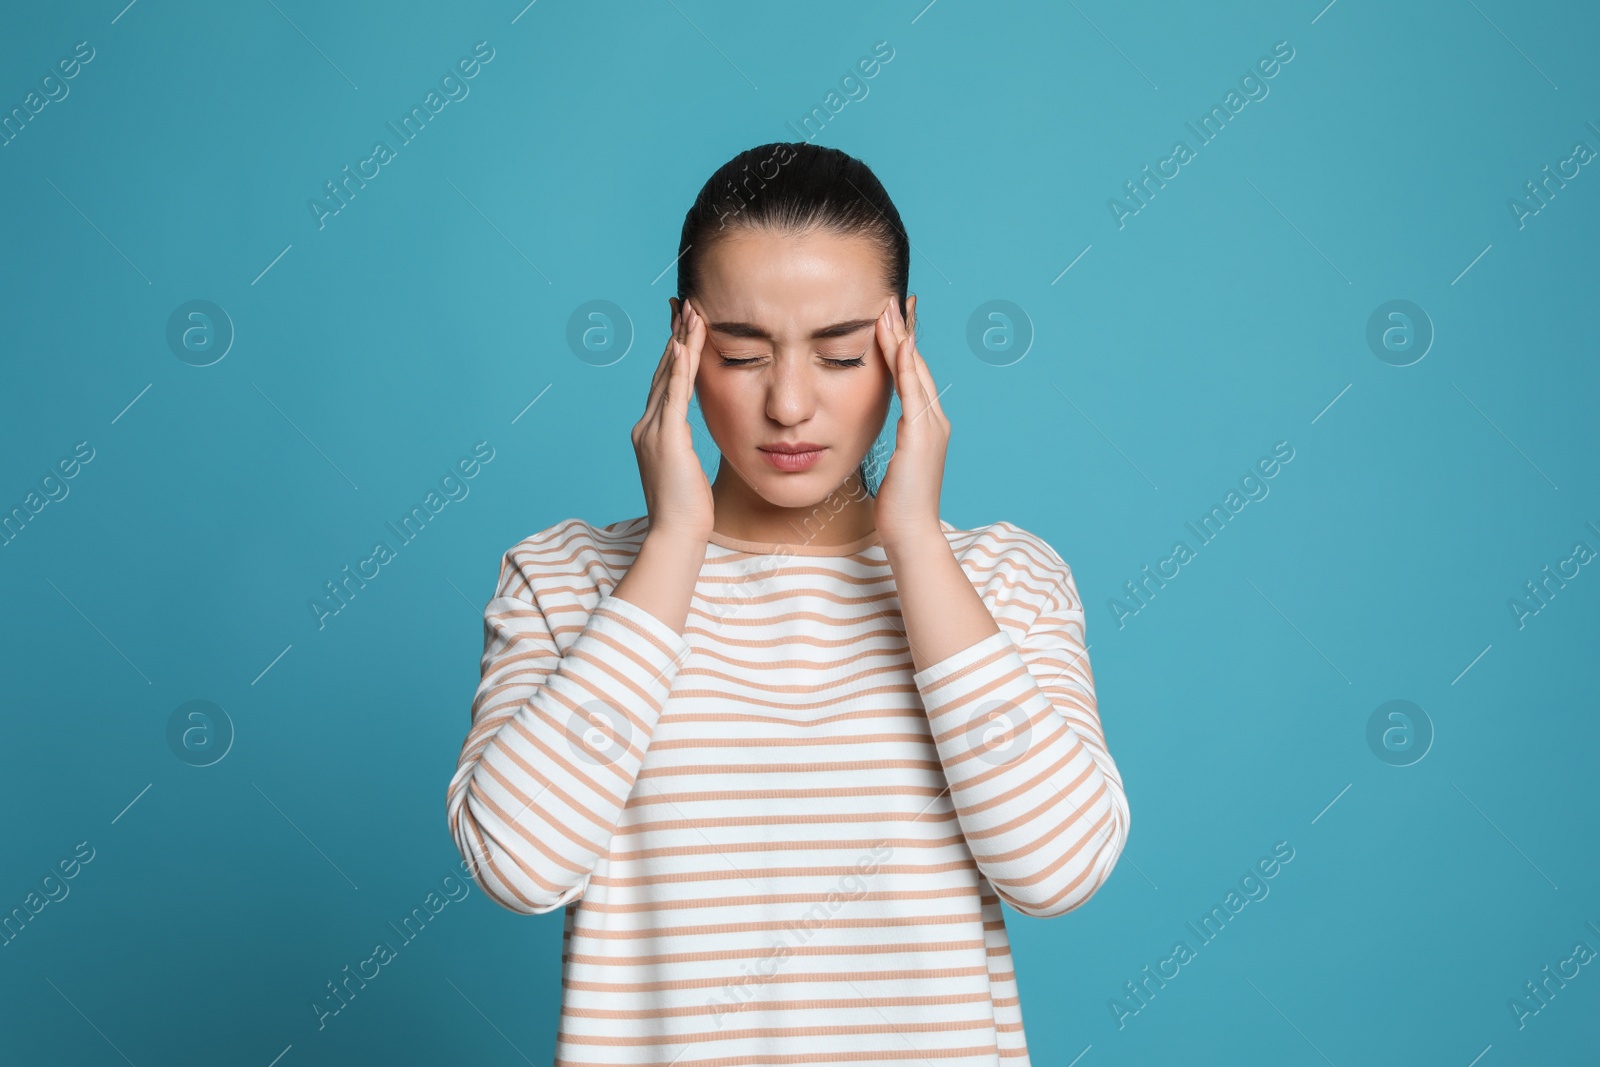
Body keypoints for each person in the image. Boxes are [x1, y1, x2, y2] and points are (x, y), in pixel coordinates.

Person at [445, 141, 1131, 1064]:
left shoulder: (1007, 582)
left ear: (904, 341)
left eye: (842, 354)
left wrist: (917, 545)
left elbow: (1055, 870)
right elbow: (518, 867)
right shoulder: (565, 579)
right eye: (741, 353)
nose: (791, 404)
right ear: (682, 339)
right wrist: (675, 545)